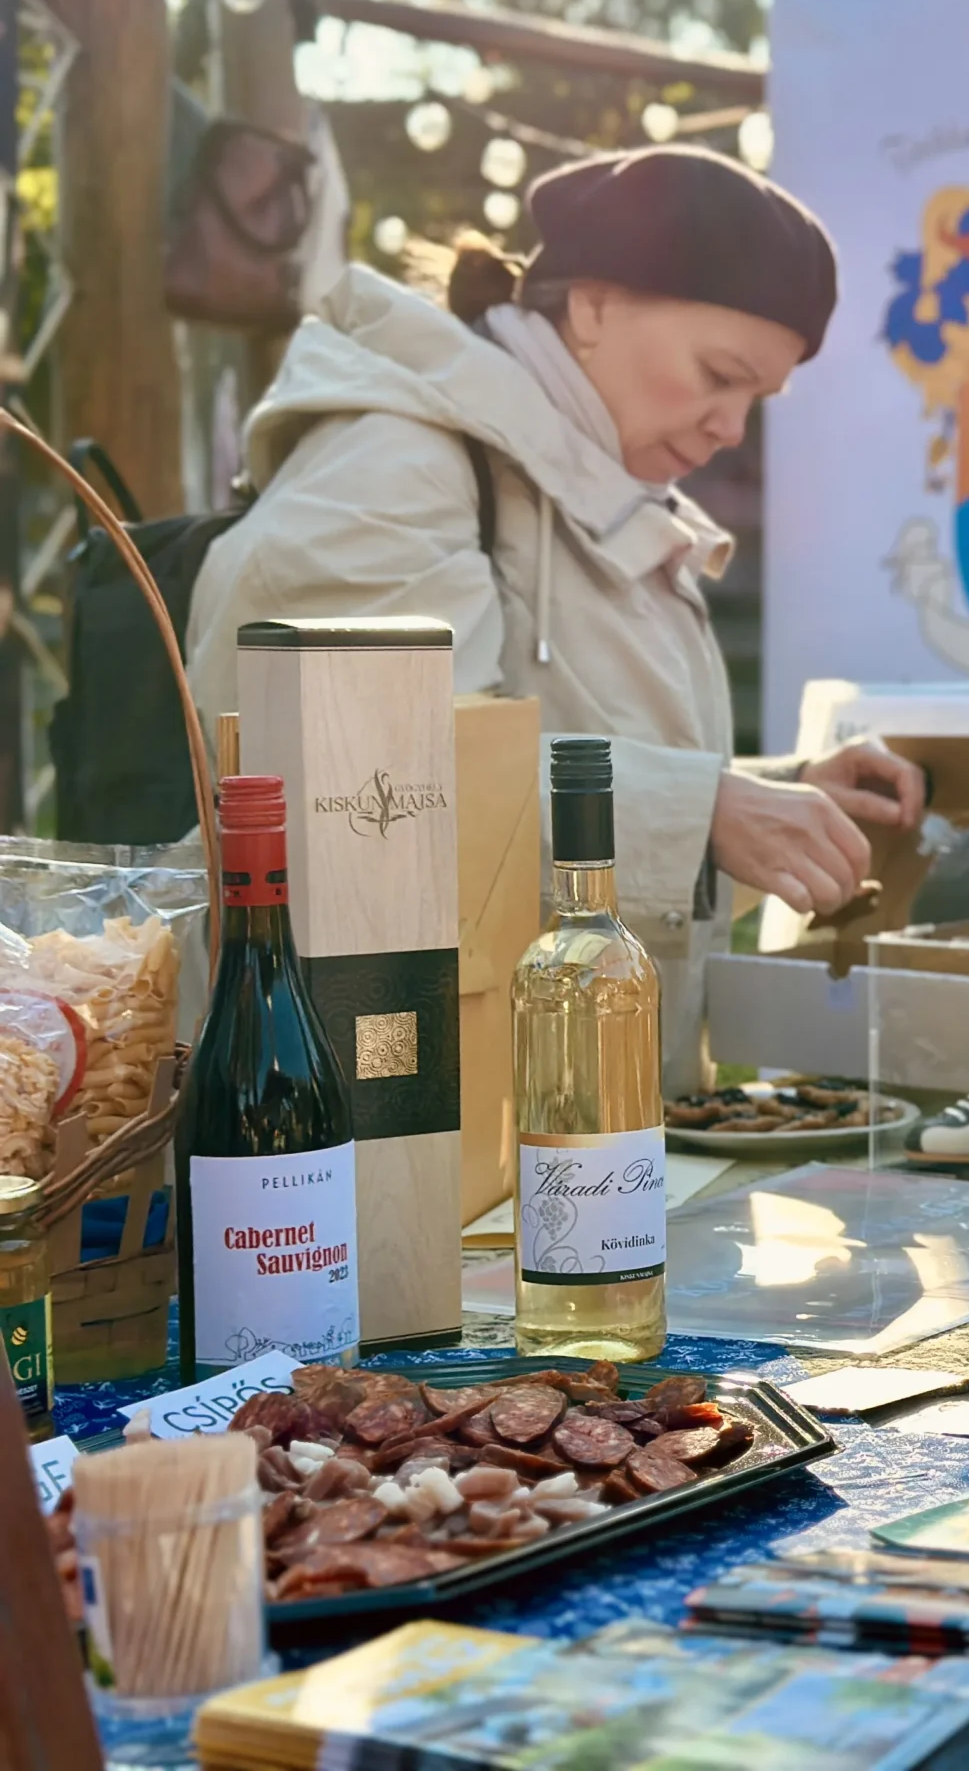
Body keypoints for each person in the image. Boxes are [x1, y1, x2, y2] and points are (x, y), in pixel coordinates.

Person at [186, 146, 924, 1092]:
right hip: (382, 1119)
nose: (732, 428)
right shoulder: (392, 469)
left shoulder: (596, 492)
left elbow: (583, 765)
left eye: (757, 399)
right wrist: (701, 811)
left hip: (559, 1128)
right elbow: (366, 786)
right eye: (719, 373)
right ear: (593, 305)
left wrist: (773, 798)